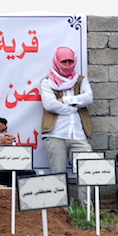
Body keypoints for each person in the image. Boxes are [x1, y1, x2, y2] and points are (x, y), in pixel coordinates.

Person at [40, 46, 93, 178]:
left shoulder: (80, 80)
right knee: (58, 174)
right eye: (64, 62)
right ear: (57, 62)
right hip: (56, 133)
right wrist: (74, 107)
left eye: (70, 61)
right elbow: (51, 105)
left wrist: (64, 99)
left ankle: (86, 200)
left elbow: (88, 98)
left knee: (87, 172)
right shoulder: (47, 82)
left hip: (78, 134)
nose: (68, 65)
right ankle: (61, 200)